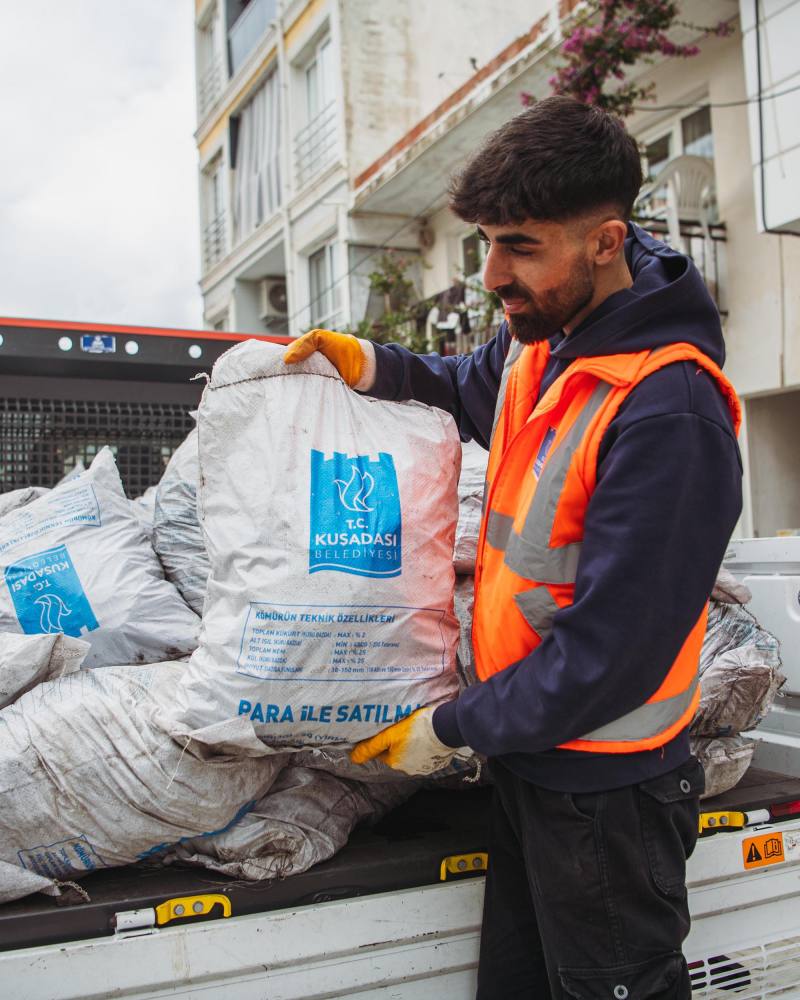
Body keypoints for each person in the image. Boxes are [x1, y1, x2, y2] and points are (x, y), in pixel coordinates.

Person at [284, 96, 742, 999]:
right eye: (485, 243)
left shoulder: (667, 410)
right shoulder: (547, 346)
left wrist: (449, 730)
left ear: (607, 241)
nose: (493, 273)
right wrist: (367, 362)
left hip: (607, 790)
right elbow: (465, 383)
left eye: (520, 246)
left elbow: (609, 654)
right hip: (534, 764)